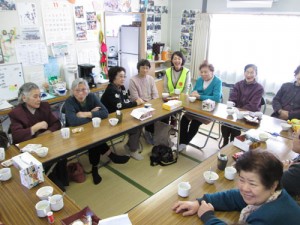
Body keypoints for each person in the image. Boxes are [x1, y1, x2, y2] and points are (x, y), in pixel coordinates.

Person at [172, 150, 300, 225]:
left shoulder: (269, 216)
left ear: (273, 185)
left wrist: (208, 216)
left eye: (252, 183)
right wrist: (199, 202)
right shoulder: (271, 195)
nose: (244, 188)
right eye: (241, 179)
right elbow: (235, 197)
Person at [64, 78, 130, 185]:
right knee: (94, 141)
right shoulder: (69, 101)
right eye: (77, 90)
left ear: (88, 89)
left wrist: (86, 114)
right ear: (72, 91)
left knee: (95, 138)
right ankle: (106, 160)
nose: (81, 93)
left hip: (92, 129)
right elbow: (73, 121)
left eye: (84, 89)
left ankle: (97, 166)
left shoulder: (91, 97)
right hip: (76, 134)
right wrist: (93, 115)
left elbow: (105, 113)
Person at [8, 82, 68, 191]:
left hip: (46, 143)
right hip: (28, 149)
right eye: (35, 96)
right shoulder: (16, 113)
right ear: (24, 98)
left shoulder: (44, 106)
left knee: (61, 153)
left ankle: (57, 177)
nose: (39, 99)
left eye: (40, 96)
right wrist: (34, 128)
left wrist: (48, 132)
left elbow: (56, 123)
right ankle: (47, 180)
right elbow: (17, 136)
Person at [101, 66, 145, 160]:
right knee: (136, 125)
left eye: (124, 76)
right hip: (109, 120)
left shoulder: (122, 87)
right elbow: (120, 106)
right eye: (120, 76)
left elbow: (126, 102)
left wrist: (133, 102)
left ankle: (130, 146)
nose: (123, 79)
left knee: (140, 120)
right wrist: (135, 103)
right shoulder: (110, 90)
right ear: (113, 77)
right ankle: (132, 149)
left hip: (120, 116)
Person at [179, 61, 222, 151]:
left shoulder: (217, 81)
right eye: (201, 72)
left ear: (212, 72)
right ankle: (181, 143)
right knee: (184, 119)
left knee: (195, 123)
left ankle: (184, 143)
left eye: (205, 72)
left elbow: (216, 98)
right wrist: (193, 93)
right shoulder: (199, 79)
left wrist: (199, 96)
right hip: (196, 108)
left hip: (209, 110)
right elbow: (194, 92)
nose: (203, 74)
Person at [221, 64, 264, 147]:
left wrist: (239, 111)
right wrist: (234, 109)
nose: (249, 75)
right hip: (236, 112)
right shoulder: (238, 84)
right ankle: (225, 141)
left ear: (256, 74)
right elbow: (232, 99)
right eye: (247, 72)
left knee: (235, 126)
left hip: (250, 115)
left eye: (252, 73)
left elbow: (253, 106)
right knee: (225, 122)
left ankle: (232, 144)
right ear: (244, 73)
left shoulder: (259, 88)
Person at [129, 59, 159, 144]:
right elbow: (135, 98)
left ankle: (153, 133)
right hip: (139, 106)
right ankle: (148, 133)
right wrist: (147, 104)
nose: (145, 70)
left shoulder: (151, 79)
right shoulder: (133, 80)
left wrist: (153, 103)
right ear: (138, 68)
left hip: (151, 104)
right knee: (148, 114)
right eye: (143, 68)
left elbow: (155, 94)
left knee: (161, 115)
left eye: (147, 68)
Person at [281, 130, 300, 198]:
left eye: (295, 135)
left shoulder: (297, 171)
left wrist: (284, 170)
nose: (292, 138)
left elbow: (277, 184)